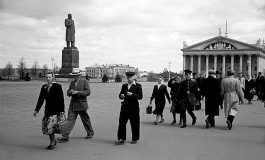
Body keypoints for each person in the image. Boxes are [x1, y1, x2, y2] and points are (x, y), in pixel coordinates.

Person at [57, 68, 94, 143]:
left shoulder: (85, 82)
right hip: (73, 105)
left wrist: (78, 92)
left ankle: (90, 133)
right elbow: (68, 93)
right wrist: (70, 92)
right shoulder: (72, 83)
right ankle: (65, 136)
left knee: (86, 120)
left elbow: (88, 92)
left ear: (79, 75)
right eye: (74, 75)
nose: (75, 76)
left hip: (82, 105)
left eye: (76, 75)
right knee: (69, 120)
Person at [33, 72, 65, 150]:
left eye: (49, 77)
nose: (48, 79)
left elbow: (61, 99)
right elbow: (40, 99)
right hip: (47, 110)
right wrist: (36, 110)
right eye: (47, 77)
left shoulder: (58, 86)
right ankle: (53, 141)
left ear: (53, 78)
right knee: (47, 127)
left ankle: (52, 143)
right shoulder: (44, 87)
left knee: (51, 127)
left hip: (55, 110)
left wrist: (62, 110)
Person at [115, 71, 143, 145]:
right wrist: (121, 96)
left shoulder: (138, 86)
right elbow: (120, 95)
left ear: (133, 77)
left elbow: (140, 96)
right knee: (121, 123)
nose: (129, 78)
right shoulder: (124, 85)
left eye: (130, 77)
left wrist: (132, 94)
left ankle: (135, 138)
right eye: (128, 77)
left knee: (134, 124)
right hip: (124, 107)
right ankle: (121, 139)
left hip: (134, 108)